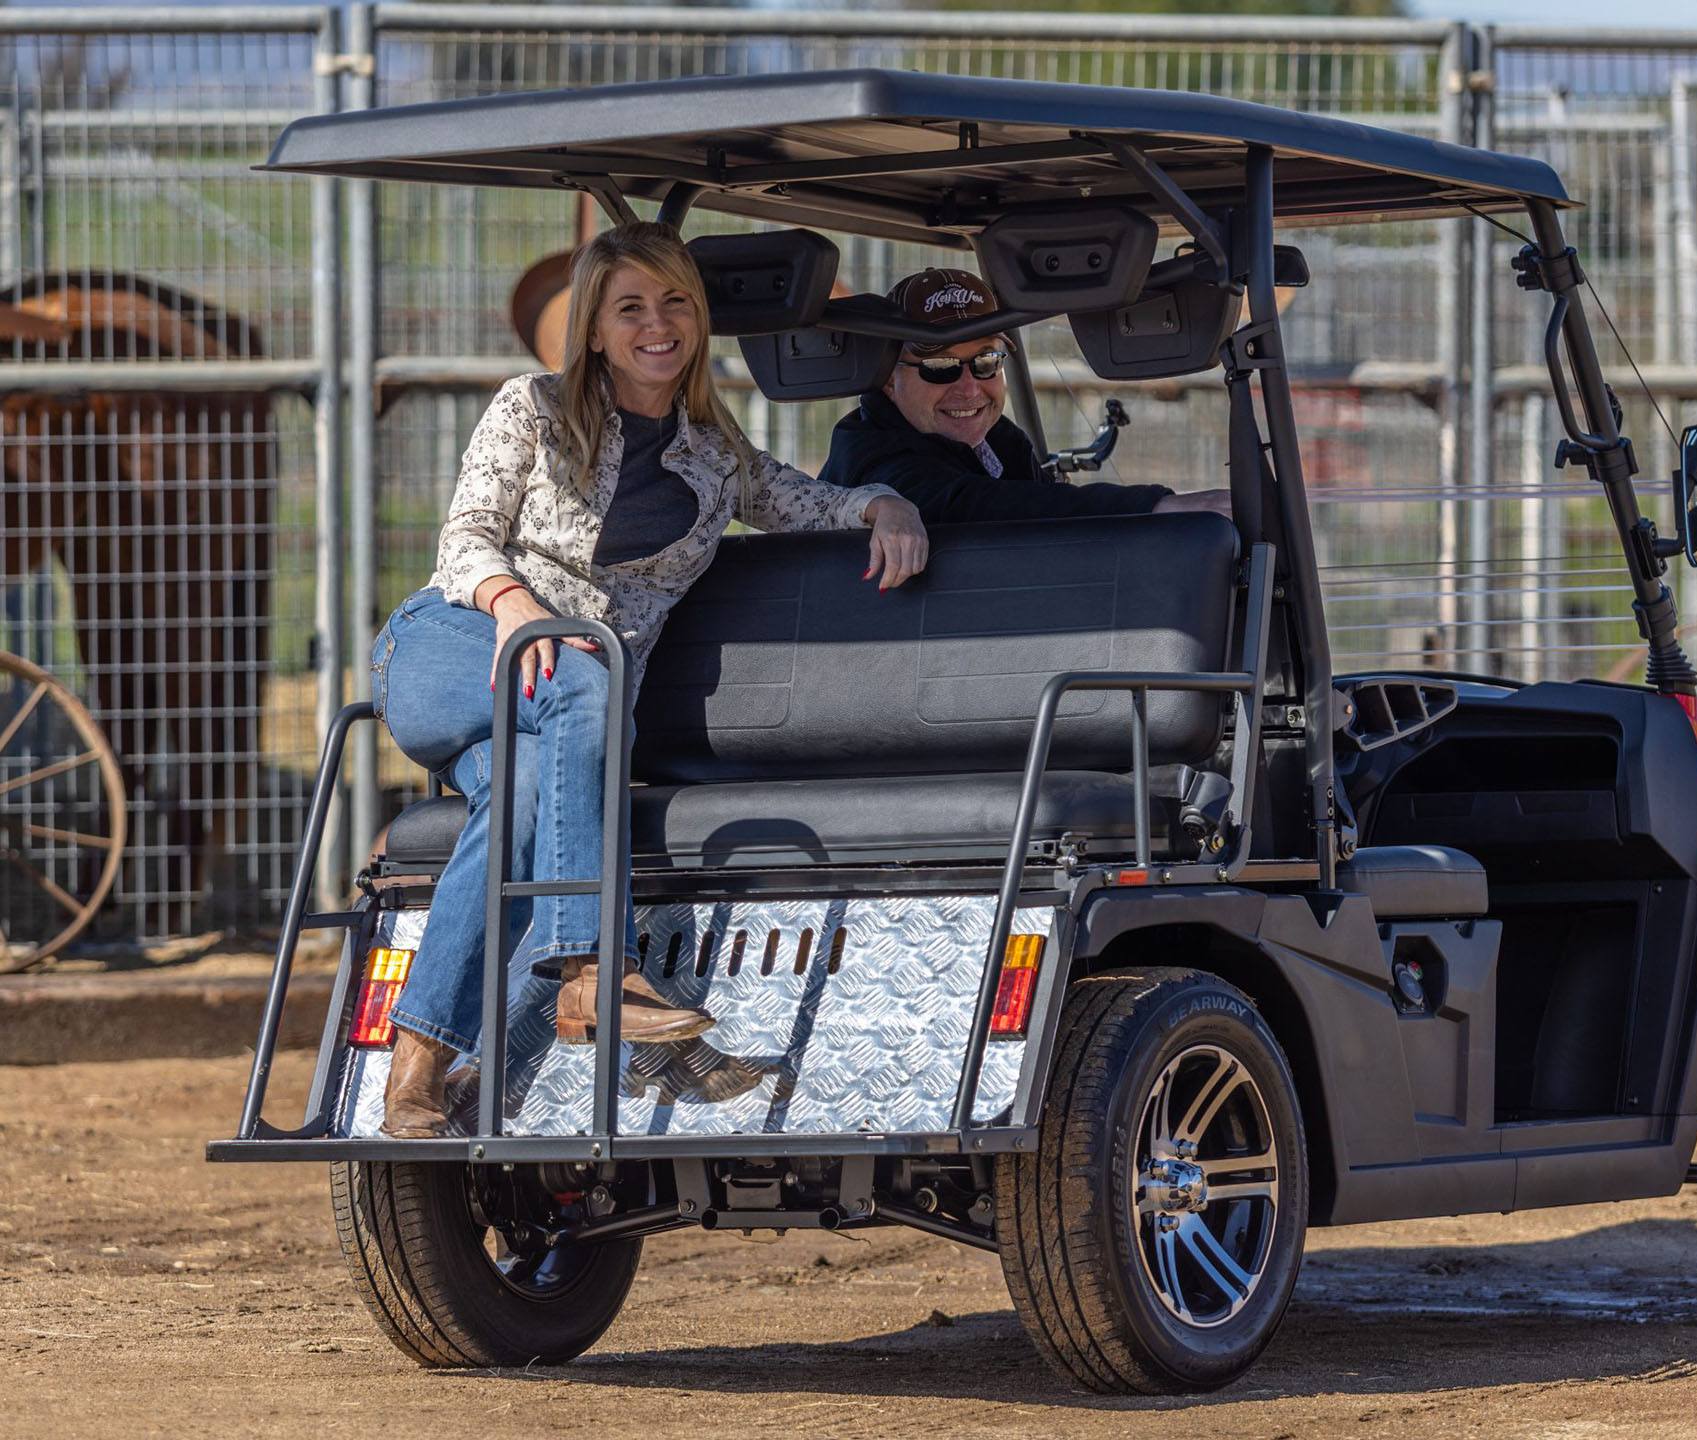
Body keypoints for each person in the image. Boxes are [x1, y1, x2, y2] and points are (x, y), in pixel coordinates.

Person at [371, 222, 928, 1137]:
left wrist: (884, 502)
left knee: (517, 803)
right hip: (454, 646)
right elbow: (464, 539)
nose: (656, 324)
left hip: (559, 711)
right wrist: (516, 606)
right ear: (595, 328)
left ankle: (423, 1074)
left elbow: (803, 501)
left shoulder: (712, 454)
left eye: (675, 303)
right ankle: (595, 973)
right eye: (631, 307)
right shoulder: (531, 408)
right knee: (588, 671)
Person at [817, 267, 1231, 524]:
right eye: (940, 367)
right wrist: (1155, 507)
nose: (970, 388)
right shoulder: (873, 459)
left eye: (986, 362)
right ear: (888, 377)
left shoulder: (997, 440)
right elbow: (982, 509)